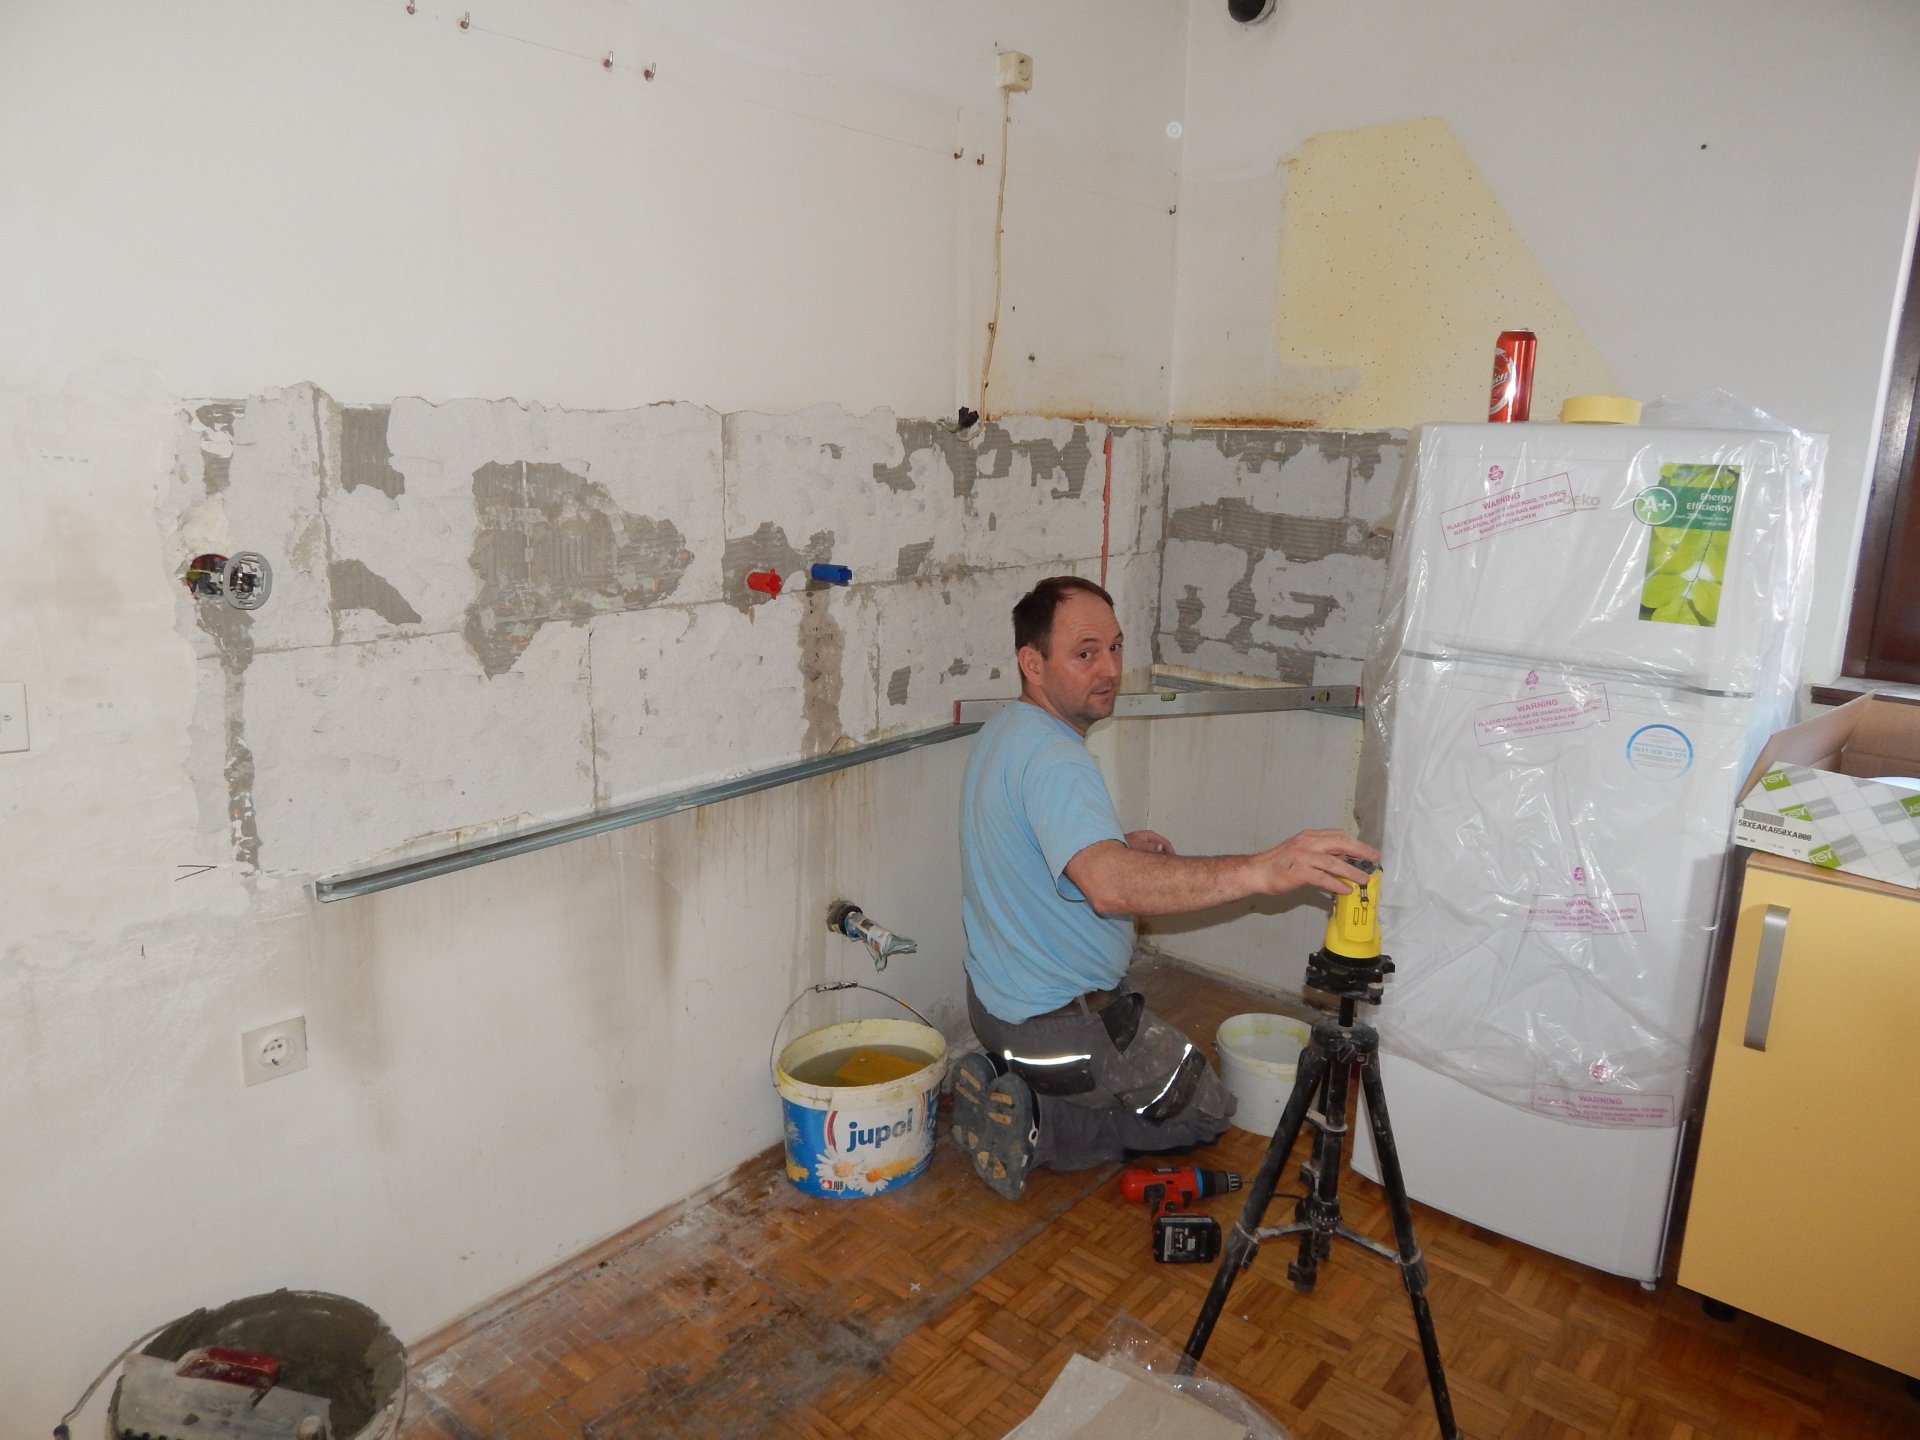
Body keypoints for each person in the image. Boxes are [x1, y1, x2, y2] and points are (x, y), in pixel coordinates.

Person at [952, 575, 1378, 1199]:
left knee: (1140, 1050)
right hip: (1058, 1028)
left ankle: (1003, 1071)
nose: (1110, 669)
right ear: (1032, 663)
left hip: (993, 1008)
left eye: (1115, 647)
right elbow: (1107, 888)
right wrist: (1261, 870)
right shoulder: (1058, 762)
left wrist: (1113, 845)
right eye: (1085, 653)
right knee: (1205, 1111)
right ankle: (1042, 1124)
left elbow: (1033, 847)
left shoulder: (1007, 731)